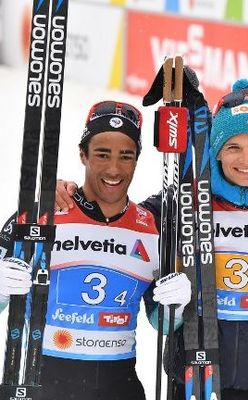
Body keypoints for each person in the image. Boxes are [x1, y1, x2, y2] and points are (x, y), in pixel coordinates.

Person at [55, 80, 248, 400]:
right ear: (215, 151)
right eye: (233, 147)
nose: (246, 160)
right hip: (192, 373)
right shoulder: (180, 203)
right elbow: (115, 218)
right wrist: (64, 195)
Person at [0, 100, 192, 400]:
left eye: (125, 156)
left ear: (137, 160)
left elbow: (161, 322)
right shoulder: (42, 214)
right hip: (42, 382)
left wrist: (178, 304)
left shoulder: (151, 229)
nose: (114, 168)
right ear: (83, 155)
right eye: (102, 154)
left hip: (118, 385)